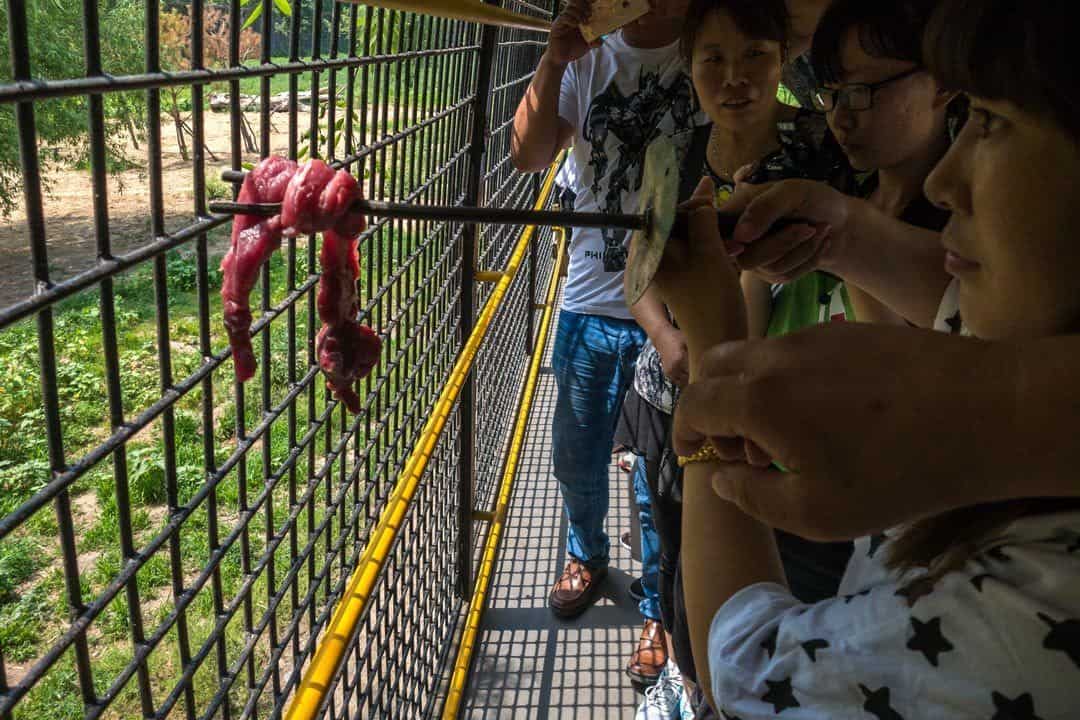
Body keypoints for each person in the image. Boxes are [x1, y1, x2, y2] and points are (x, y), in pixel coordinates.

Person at [672, 0, 1080, 715]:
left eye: (991, 120)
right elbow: (965, 305)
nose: (942, 182)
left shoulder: (1020, 613)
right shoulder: (1032, 358)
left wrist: (715, 352)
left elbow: (741, 663)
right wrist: (842, 232)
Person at [622, 1, 857, 716]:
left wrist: (716, 338)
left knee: (797, 575)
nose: (735, 79)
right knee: (685, 561)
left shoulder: (827, 150)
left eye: (755, 55)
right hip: (678, 396)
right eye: (712, 60)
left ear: (784, 58)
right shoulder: (674, 152)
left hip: (791, 414)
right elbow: (639, 272)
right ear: (687, 66)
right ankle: (692, 679)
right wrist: (671, 344)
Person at [510, 0, 707, 687]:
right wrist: (553, 59)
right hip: (593, 300)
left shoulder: (713, 45)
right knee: (576, 455)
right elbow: (530, 154)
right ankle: (585, 553)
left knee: (662, 479)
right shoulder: (589, 54)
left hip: (680, 303)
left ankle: (658, 607)